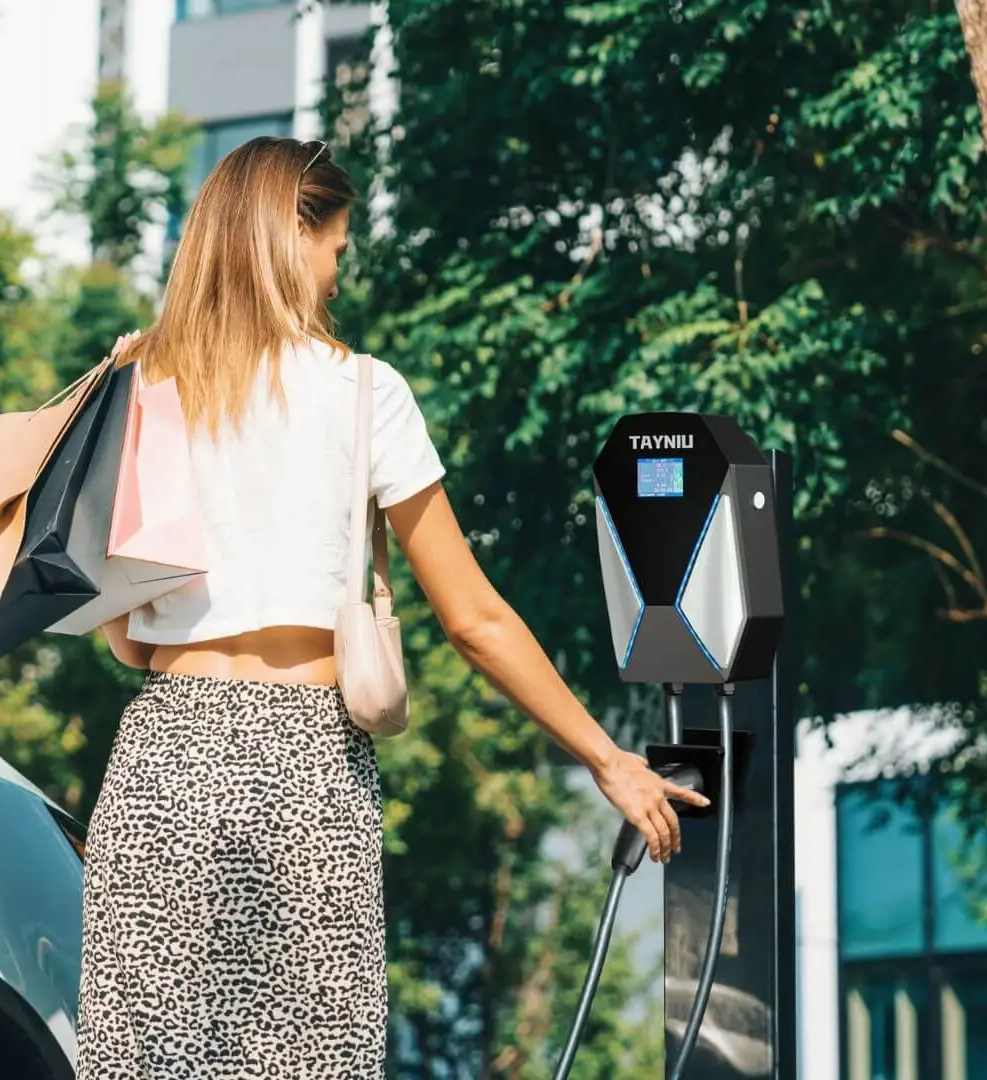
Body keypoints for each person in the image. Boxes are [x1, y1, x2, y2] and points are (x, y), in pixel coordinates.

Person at [78, 137, 708, 1079]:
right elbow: (473, 620)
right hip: (308, 766)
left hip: (166, 759)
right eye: (336, 248)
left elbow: (127, 640)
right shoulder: (363, 391)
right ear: (294, 232)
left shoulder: (140, 388)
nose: (337, 275)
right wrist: (608, 759)